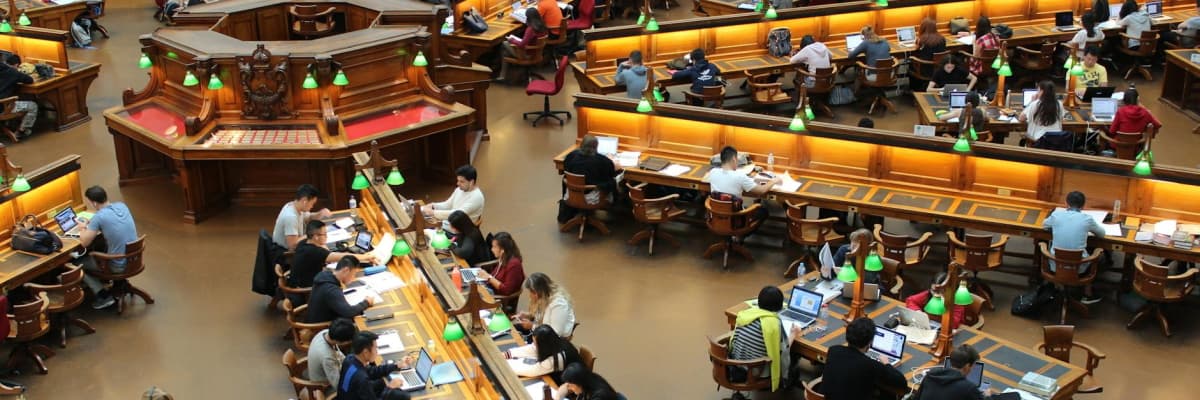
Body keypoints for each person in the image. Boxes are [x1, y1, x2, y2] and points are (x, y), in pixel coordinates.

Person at [75, 186, 139, 309]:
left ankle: (103, 296)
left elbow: (84, 243)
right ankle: (112, 286)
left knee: (77, 264)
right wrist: (92, 224)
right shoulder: (121, 205)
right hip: (134, 259)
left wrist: (82, 227)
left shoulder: (98, 217)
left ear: (93, 202)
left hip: (118, 265)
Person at [729, 286, 801, 391]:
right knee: (794, 355)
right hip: (757, 371)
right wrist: (793, 334)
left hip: (736, 364)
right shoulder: (773, 323)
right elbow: (783, 351)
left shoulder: (745, 314)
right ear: (780, 306)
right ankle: (787, 383)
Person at [289, 220, 378, 306]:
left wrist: (322, 242)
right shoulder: (314, 251)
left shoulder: (304, 242)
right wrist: (366, 256)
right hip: (304, 290)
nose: (327, 237)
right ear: (316, 237)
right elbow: (342, 257)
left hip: (297, 281)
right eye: (325, 234)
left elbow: (325, 251)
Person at [1043, 191, 1106, 303]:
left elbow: (1044, 225)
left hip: (1055, 266)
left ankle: (1056, 286)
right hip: (1079, 269)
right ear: (1083, 205)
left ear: (1066, 203)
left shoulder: (1056, 215)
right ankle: (1087, 293)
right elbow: (1101, 234)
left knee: (1050, 245)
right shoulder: (1087, 219)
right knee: (1101, 257)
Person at [821, 317, 907, 400]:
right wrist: (887, 363)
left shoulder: (833, 350)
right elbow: (901, 382)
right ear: (870, 342)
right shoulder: (870, 365)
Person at [709, 146, 780, 230]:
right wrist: (774, 181)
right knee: (763, 211)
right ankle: (739, 237)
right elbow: (761, 190)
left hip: (716, 218)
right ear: (734, 159)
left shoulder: (713, 172)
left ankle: (733, 237)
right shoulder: (740, 176)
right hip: (736, 220)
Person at [337, 331, 413, 400]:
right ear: (366, 352)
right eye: (375, 348)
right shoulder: (362, 379)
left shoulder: (349, 359)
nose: (377, 352)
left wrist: (397, 365)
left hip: (346, 396)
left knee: (382, 382)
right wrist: (390, 388)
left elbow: (372, 371)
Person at [913, 345, 998, 400]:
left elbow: (916, 398)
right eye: (973, 366)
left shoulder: (931, 375)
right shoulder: (968, 388)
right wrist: (987, 396)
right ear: (967, 366)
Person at [307, 256, 375, 323]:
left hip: (317, 317)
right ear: (346, 270)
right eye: (354, 274)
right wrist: (366, 302)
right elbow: (349, 312)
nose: (354, 278)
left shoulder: (325, 274)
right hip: (322, 327)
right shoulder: (332, 290)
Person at [504, 325, 582, 384]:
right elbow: (532, 349)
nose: (534, 345)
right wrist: (507, 354)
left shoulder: (557, 358)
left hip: (566, 384)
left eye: (536, 344)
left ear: (543, 345)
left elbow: (532, 371)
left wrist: (504, 365)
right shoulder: (553, 341)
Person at [421, 165, 485, 229]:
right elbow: (448, 204)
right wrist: (434, 206)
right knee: (422, 220)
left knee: (424, 226)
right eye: (458, 180)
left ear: (471, 182)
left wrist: (433, 212)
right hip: (452, 224)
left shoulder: (477, 197)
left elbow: (456, 214)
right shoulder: (460, 189)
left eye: (461, 181)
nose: (458, 183)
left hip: (461, 230)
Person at [514, 272, 576, 337]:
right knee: (513, 329)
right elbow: (541, 316)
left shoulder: (559, 304)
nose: (529, 295)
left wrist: (532, 326)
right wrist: (529, 315)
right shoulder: (544, 298)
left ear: (536, 292)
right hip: (541, 330)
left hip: (552, 340)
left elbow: (555, 333)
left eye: (530, 292)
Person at [562, 134, 619, 202]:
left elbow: (565, 168)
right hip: (592, 196)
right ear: (596, 147)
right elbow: (611, 174)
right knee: (615, 181)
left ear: (582, 144)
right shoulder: (603, 161)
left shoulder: (571, 156)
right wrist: (613, 165)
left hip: (572, 194)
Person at [274, 184, 331, 251]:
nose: (312, 206)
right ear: (305, 201)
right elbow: (292, 246)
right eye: (312, 203)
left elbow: (309, 217)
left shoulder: (295, 205)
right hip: (285, 254)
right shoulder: (290, 217)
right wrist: (312, 234)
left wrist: (320, 213)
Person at [498, 7, 548, 78]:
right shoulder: (542, 24)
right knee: (505, 51)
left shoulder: (530, 29)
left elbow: (522, 44)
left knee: (504, 44)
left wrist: (512, 40)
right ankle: (506, 74)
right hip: (537, 53)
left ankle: (502, 75)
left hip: (527, 55)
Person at [308, 318, 358, 389]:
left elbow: (339, 355)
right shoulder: (327, 357)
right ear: (340, 342)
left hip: (333, 371)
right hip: (324, 387)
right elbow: (338, 385)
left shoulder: (326, 333)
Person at [475, 232, 525, 296]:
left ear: (502, 250)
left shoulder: (514, 265)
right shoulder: (504, 258)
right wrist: (484, 276)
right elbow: (495, 276)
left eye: (494, 247)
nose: (492, 249)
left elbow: (506, 290)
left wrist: (488, 278)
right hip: (490, 287)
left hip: (497, 298)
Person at [0, 54, 36, 138]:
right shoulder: (12, 72)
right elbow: (30, 80)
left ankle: (10, 123)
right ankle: (21, 131)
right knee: (33, 106)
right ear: (16, 65)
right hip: (2, 107)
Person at [553, 362, 626, 400]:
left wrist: (558, 397)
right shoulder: (589, 381)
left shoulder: (599, 396)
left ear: (579, 382)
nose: (568, 387)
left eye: (570, 384)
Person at [913, 18, 947, 90]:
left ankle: (914, 89)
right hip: (940, 68)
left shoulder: (922, 39)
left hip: (926, 69)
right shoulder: (942, 38)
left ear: (923, 27)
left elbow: (916, 49)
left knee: (910, 62)